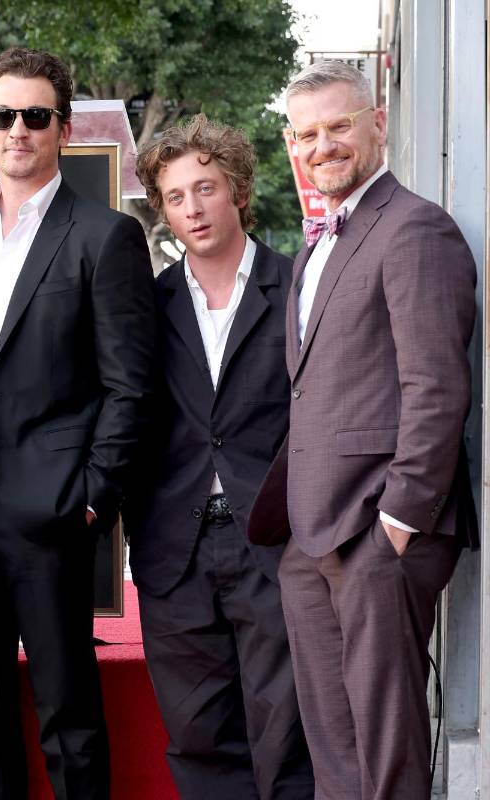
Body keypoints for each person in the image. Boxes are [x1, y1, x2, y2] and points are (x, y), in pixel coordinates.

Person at [0, 48, 157, 798]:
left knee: (68, 716)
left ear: (64, 126)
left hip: (51, 504)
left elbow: (130, 387)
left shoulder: (104, 236)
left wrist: (91, 497)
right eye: (3, 116)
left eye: (35, 116)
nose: (18, 130)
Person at [249, 60, 477, 799]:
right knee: (336, 756)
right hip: (311, 536)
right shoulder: (318, 247)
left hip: (378, 535)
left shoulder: (415, 230)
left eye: (340, 126)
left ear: (378, 123)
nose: (324, 146)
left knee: (386, 757)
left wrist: (398, 526)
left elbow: (437, 389)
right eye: (308, 134)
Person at [128, 115, 313, 798]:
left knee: (287, 737)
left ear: (238, 189)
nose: (192, 208)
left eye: (205, 188)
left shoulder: (299, 290)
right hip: (174, 551)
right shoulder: (147, 306)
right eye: (175, 197)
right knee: (199, 740)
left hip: (274, 543)